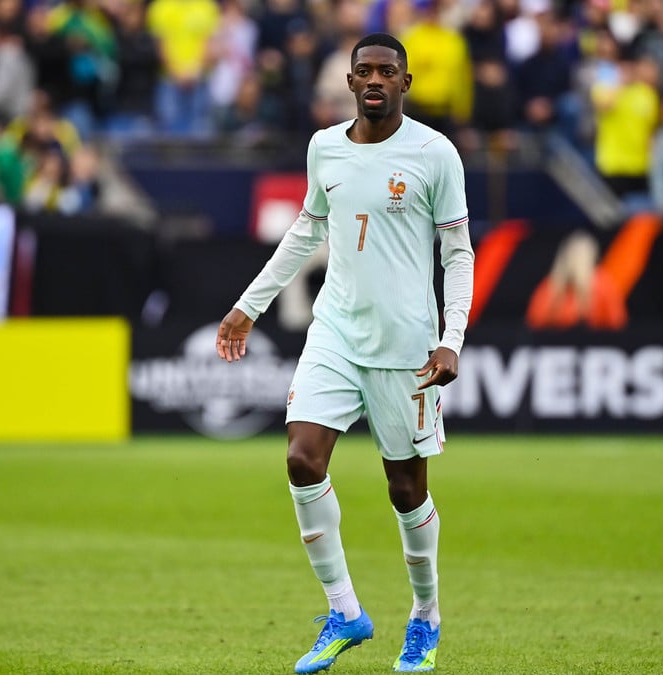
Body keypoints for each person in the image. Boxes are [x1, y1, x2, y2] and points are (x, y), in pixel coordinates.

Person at [214, 33, 474, 674]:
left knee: (405, 489)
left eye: (388, 71)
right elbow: (307, 230)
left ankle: (425, 615)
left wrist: (451, 339)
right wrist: (249, 305)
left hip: (407, 346)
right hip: (334, 332)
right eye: (365, 71)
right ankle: (344, 611)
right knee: (301, 459)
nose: (376, 79)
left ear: (405, 83)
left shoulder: (434, 153)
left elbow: (458, 254)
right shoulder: (323, 147)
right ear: (350, 81)